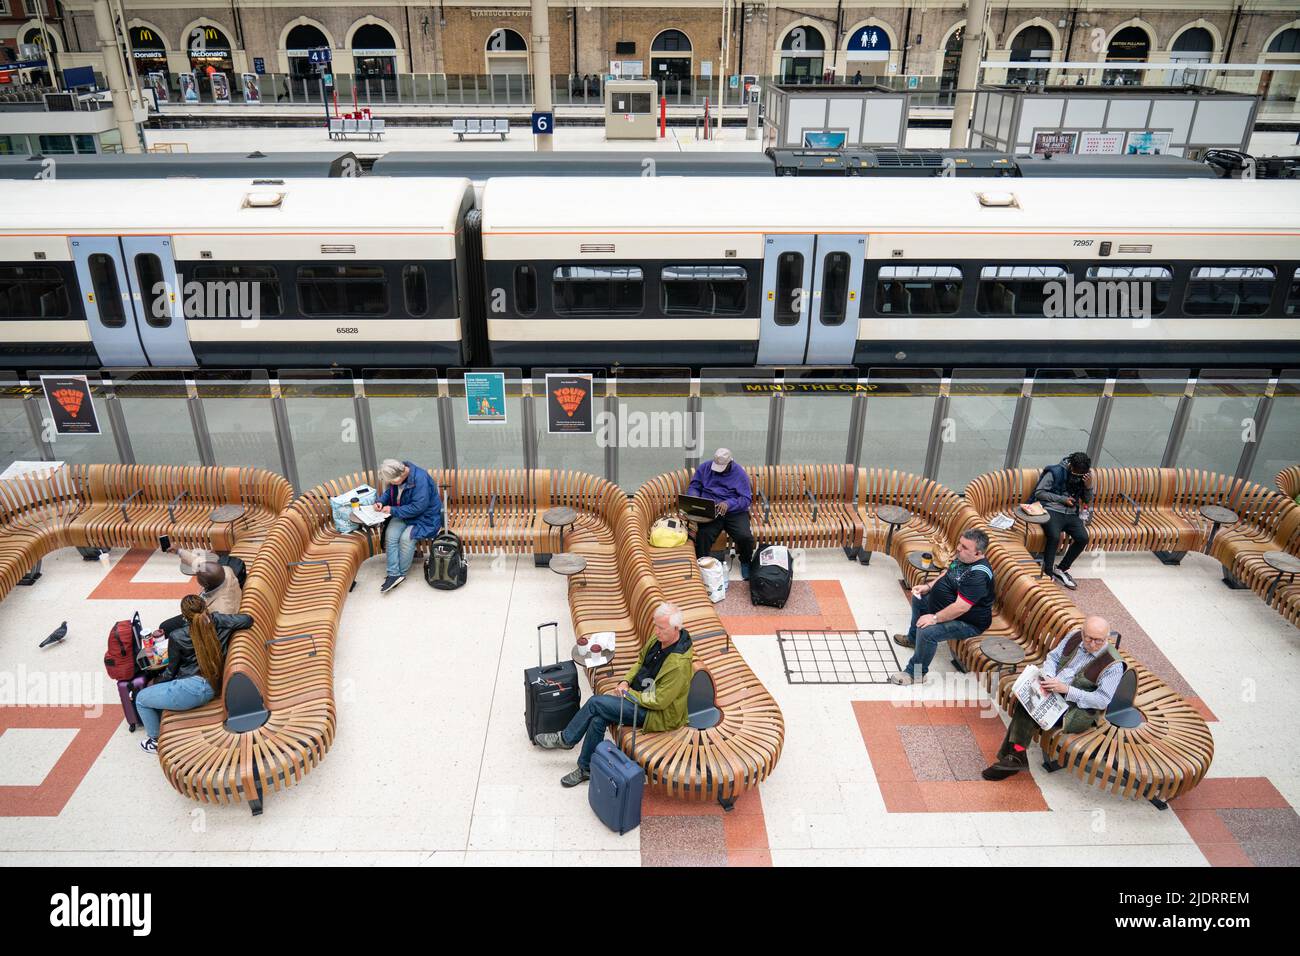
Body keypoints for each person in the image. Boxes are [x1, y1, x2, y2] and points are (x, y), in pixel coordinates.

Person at [534, 602, 694, 787]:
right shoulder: (660, 639)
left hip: (654, 712)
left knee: (595, 704)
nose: (656, 631)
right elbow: (641, 661)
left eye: (661, 628)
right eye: (655, 625)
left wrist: (629, 694)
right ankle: (586, 768)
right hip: (639, 695)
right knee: (598, 718)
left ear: (676, 628)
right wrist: (625, 681)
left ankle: (567, 739)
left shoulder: (679, 664)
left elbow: (659, 701)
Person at [982, 616, 1121, 780]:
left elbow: (1102, 700)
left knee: (1029, 707)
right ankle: (1015, 757)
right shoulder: (1075, 636)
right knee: (1027, 698)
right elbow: (1054, 657)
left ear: (1107, 638)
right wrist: (1047, 676)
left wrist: (1067, 690)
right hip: (1053, 689)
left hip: (1078, 710)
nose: (1092, 644)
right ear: (1082, 632)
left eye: (1099, 641)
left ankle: (1015, 756)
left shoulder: (1114, 665)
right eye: (1088, 638)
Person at [135, 593, 253, 755]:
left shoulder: (178, 636)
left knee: (141, 698)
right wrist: (217, 619)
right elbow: (247, 620)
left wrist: (154, 681)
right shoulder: (218, 623)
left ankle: (154, 740)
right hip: (215, 683)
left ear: (184, 617)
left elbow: (171, 673)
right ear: (206, 609)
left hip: (192, 691)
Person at [889, 529, 995, 685]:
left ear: (978, 554)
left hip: (968, 622)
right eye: (960, 543)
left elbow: (960, 608)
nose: (958, 548)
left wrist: (934, 618)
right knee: (920, 599)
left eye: (965, 547)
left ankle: (915, 673)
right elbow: (947, 574)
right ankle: (913, 639)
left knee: (927, 632)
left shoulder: (978, 575)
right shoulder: (964, 558)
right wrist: (929, 587)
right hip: (950, 608)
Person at [374, 457, 443, 594]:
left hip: (424, 517)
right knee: (391, 535)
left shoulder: (420, 478)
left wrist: (392, 510)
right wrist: (381, 501)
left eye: (393, 481)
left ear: (400, 475)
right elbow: (389, 493)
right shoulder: (397, 476)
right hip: (402, 513)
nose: (392, 484)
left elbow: (419, 507)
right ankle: (393, 574)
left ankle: (401, 573)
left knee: (406, 538)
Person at [688, 448, 755, 579]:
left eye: (722, 467)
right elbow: (695, 486)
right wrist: (695, 499)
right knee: (703, 535)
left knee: (745, 537)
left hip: (734, 511)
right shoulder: (705, 468)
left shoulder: (739, 473)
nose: (718, 469)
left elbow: (746, 499)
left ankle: (746, 562)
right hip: (711, 509)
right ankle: (702, 564)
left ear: (730, 463)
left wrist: (729, 504)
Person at [1034, 451, 1093, 590]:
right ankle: (1048, 571)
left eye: (1081, 474)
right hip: (1052, 510)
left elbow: (1087, 500)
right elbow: (1039, 493)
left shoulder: (1086, 477)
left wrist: (1089, 486)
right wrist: (1062, 499)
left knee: (1083, 538)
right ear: (1071, 466)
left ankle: (1061, 568)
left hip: (1071, 513)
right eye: (1076, 473)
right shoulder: (1055, 472)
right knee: (1054, 536)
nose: (1078, 476)